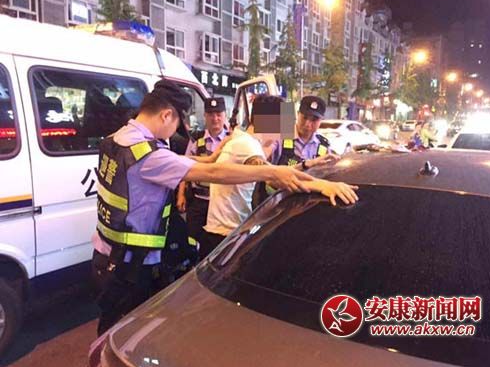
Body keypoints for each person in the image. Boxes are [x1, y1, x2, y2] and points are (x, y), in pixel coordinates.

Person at [91, 80, 321, 335]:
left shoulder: (119, 138)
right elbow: (212, 173)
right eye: (177, 123)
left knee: (114, 324)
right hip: (130, 264)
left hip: (107, 253)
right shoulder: (148, 155)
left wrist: (212, 157)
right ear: (166, 115)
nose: (177, 131)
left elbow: (177, 161)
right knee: (123, 334)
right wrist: (277, 173)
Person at [200, 95, 358, 260]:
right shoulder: (248, 146)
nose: (283, 131)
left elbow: (275, 171)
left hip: (226, 230)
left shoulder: (242, 139)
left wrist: (307, 164)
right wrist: (323, 186)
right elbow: (274, 177)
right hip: (225, 234)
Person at [176, 97, 230, 245]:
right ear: (205, 116)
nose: (215, 118)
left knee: (218, 241)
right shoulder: (196, 139)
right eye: (211, 114)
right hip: (199, 201)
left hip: (222, 202)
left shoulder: (232, 140)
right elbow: (185, 168)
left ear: (225, 115)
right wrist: (181, 195)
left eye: (219, 114)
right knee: (193, 238)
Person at [268, 95, 336, 169]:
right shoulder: (279, 137)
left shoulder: (324, 146)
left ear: (321, 121)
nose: (307, 124)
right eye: (305, 117)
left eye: (314, 120)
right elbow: (264, 166)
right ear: (298, 114)